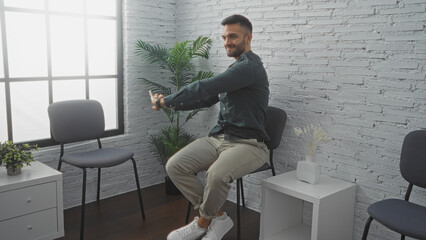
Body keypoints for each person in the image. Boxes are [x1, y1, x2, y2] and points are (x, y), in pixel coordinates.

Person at [149, 14, 269, 240]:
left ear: (248, 37)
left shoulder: (250, 67)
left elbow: (204, 86)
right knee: (175, 165)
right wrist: (170, 105)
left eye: (232, 36)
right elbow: (206, 98)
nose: (227, 42)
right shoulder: (235, 70)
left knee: (216, 174)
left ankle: (203, 223)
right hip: (220, 139)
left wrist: (166, 100)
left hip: (250, 145)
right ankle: (219, 217)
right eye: (224, 37)